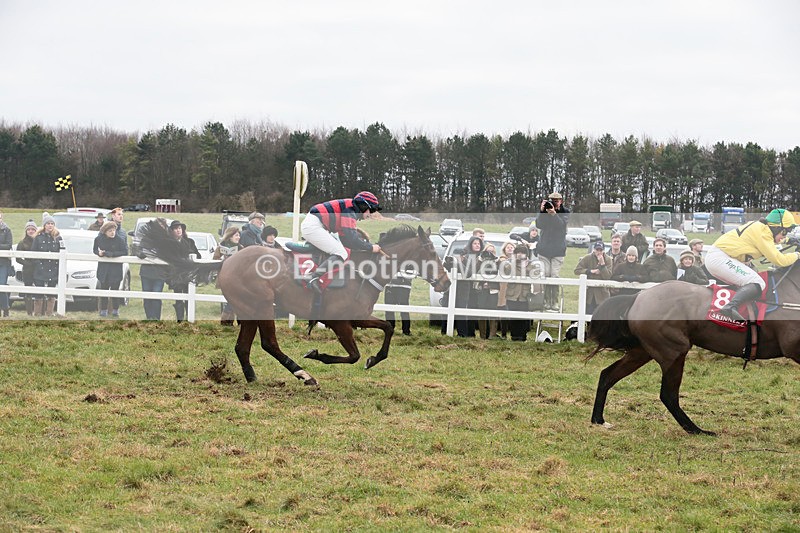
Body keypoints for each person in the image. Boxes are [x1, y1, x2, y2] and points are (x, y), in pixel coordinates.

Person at [705, 208, 800, 321]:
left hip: (722, 258)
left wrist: (788, 240)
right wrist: (797, 255)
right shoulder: (763, 233)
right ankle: (730, 307)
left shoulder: (762, 229)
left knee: (752, 281)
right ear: (776, 227)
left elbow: (773, 239)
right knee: (757, 282)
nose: (785, 235)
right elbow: (780, 260)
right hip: (720, 259)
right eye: (784, 231)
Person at [300, 191, 382, 295]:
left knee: (342, 250)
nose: (371, 214)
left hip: (317, 225)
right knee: (341, 253)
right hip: (314, 227)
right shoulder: (350, 210)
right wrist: (370, 248)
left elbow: (346, 240)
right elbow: (352, 238)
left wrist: (365, 246)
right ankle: (313, 277)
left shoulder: (350, 208)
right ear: (363, 205)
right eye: (371, 210)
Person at [497, 243, 539, 341]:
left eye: (522, 253)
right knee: (513, 316)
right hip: (512, 294)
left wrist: (526, 266)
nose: (520, 255)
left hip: (524, 295)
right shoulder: (510, 263)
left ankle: (522, 336)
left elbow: (535, 274)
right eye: (518, 253)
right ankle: (514, 336)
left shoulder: (531, 264)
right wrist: (514, 263)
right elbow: (505, 272)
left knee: (523, 317)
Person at [536, 191, 569, 310]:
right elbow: (539, 225)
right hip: (544, 249)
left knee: (554, 276)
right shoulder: (544, 211)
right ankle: (545, 301)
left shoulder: (565, 212)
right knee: (545, 275)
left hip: (558, 250)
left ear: (561, 201)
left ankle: (554, 301)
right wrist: (541, 211)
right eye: (552, 201)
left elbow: (561, 226)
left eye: (556, 201)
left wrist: (554, 214)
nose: (554, 203)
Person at [93, 221, 128, 317]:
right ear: (105, 231)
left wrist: (112, 254)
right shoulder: (99, 239)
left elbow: (125, 251)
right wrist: (99, 253)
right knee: (103, 289)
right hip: (104, 269)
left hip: (115, 269)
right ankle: (103, 310)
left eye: (114, 230)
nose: (112, 232)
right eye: (110, 231)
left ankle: (115, 310)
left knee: (115, 290)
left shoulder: (120, 240)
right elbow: (95, 249)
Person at [167, 220, 200, 322]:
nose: (178, 230)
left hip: (188, 273)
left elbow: (198, 255)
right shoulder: (169, 243)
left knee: (188, 295)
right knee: (178, 297)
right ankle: (180, 320)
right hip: (176, 274)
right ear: (172, 231)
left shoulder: (190, 242)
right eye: (176, 228)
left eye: (180, 228)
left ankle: (189, 319)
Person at [32, 212, 63, 317]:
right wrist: (39, 265)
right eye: (48, 223)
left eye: (52, 223)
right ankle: (37, 314)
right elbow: (33, 254)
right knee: (39, 292)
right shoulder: (38, 238)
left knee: (51, 292)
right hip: (40, 269)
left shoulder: (58, 238)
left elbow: (63, 252)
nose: (50, 225)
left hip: (53, 270)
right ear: (44, 225)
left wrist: (58, 267)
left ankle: (49, 313)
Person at [139, 218, 170, 320]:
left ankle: (156, 319)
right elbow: (139, 251)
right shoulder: (147, 238)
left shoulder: (167, 240)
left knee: (156, 296)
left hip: (160, 273)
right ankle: (149, 318)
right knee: (147, 297)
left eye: (162, 226)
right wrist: (143, 253)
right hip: (146, 272)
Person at [214, 226, 243, 325]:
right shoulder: (220, 248)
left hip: (238, 279)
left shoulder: (241, 248)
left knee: (237, 299)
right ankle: (228, 322)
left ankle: (232, 321)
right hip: (225, 278)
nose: (238, 237)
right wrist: (224, 260)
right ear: (230, 236)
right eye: (236, 235)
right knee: (230, 300)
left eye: (239, 235)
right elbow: (215, 260)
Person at [574, 241, 612, 314]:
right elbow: (577, 270)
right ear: (594, 250)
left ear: (604, 251)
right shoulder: (588, 258)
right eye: (597, 250)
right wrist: (590, 271)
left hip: (602, 294)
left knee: (601, 316)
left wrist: (603, 264)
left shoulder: (608, 259)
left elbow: (608, 276)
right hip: (589, 294)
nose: (599, 252)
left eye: (601, 250)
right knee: (588, 313)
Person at [476, 242, 500, 339]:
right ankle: (482, 335)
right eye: (487, 251)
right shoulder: (480, 261)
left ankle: (492, 334)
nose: (489, 253)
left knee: (493, 312)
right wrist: (481, 259)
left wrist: (496, 260)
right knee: (481, 312)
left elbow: (501, 272)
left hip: (493, 290)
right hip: (482, 290)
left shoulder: (497, 262)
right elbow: (475, 270)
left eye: (492, 251)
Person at [15, 220, 38, 315]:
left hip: (38, 270)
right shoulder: (22, 243)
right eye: (29, 229)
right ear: (26, 231)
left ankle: (39, 311)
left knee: (40, 289)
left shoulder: (39, 241)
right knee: (28, 290)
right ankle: (29, 312)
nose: (31, 231)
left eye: (33, 229)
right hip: (27, 270)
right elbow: (18, 258)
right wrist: (27, 263)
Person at [384, 270, 413, 336]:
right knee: (389, 309)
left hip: (404, 287)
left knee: (404, 310)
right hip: (390, 286)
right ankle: (389, 330)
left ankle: (406, 331)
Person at [0, 212, 12, 317]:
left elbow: (8, 245)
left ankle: (5, 308)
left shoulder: (7, 230)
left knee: (2, 285)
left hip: (3, 262)